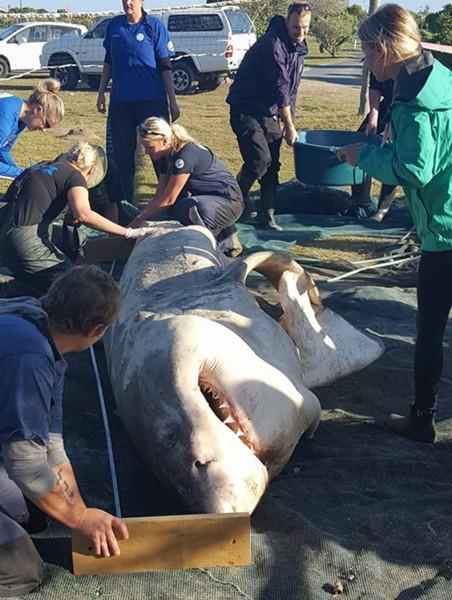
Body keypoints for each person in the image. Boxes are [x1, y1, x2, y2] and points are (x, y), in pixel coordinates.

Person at [337, 4, 452, 443]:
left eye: (366, 53)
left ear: (384, 48)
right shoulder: (441, 77)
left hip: (444, 232)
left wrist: (360, 155)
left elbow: (415, 168)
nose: (366, 63)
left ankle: (422, 417)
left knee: (430, 329)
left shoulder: (412, 102)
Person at [0, 265, 129, 597]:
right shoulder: (29, 357)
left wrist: (80, 512)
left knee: (32, 512)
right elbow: (25, 463)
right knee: (20, 570)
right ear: (97, 329)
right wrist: (78, 519)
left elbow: (51, 446)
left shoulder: (37, 333)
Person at [0, 141, 151, 298]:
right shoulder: (75, 176)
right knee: (71, 284)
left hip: (4, 231)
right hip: (25, 240)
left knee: (37, 279)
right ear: (91, 170)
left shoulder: (42, 166)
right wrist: (127, 232)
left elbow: (33, 203)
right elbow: (84, 214)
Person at [226, 2, 311, 231]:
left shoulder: (299, 48)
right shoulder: (273, 44)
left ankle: (268, 214)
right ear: (287, 22)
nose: (301, 33)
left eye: (305, 28)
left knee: (272, 165)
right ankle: (231, 205)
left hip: (269, 112)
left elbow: (292, 90)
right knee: (259, 160)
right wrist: (289, 125)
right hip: (246, 109)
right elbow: (281, 86)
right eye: (296, 27)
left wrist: (288, 122)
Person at [96, 0, 180, 203]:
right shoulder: (115, 26)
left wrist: (173, 100)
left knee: (160, 153)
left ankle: (172, 202)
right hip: (121, 102)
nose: (128, 2)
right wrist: (101, 92)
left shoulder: (154, 26)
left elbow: (165, 66)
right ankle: (125, 204)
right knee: (122, 157)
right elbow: (109, 61)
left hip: (151, 101)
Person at [130, 117, 244, 256]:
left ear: (165, 141)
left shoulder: (185, 155)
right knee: (176, 209)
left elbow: (168, 199)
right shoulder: (164, 156)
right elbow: (160, 194)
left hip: (229, 203)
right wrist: (141, 219)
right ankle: (222, 232)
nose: (147, 152)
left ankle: (221, 243)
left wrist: (136, 223)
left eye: (150, 147)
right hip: (210, 200)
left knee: (189, 208)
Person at [351, 72, 397, 222]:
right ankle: (361, 200)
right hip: (386, 104)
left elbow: (406, 93)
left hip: (407, 107)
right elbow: (375, 86)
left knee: (393, 150)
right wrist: (373, 117)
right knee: (362, 139)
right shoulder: (375, 58)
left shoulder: (402, 61)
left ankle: (383, 208)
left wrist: (392, 123)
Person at [0, 79, 64, 180]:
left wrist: (21, 173)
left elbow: (3, 150)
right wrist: (26, 174)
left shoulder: (21, 119)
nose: (44, 130)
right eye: (46, 124)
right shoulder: (6, 114)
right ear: (38, 110)